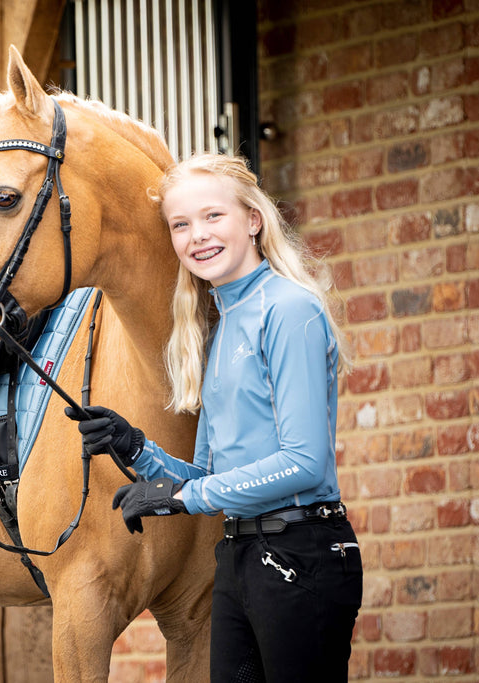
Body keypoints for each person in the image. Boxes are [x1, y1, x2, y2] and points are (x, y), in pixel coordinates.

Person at [69, 153, 362, 682]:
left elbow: (304, 463)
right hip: (238, 557)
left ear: (252, 220)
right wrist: (137, 448)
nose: (197, 235)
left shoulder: (289, 309)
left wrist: (178, 499)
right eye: (181, 224)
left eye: (212, 216)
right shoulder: (220, 328)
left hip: (301, 555)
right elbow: (208, 478)